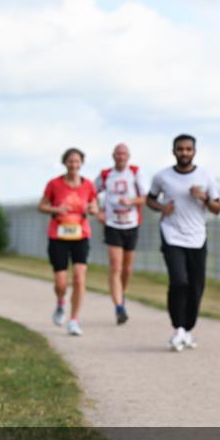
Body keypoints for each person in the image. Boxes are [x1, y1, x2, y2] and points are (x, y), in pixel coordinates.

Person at [146, 134, 220, 351]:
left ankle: (187, 329)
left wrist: (204, 198)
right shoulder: (162, 177)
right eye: (180, 149)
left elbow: (217, 208)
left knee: (197, 286)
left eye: (188, 149)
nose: (184, 153)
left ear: (194, 151)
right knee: (179, 281)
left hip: (197, 237)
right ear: (174, 151)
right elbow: (150, 199)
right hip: (172, 235)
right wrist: (161, 208)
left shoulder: (205, 176)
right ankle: (178, 327)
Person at [38, 148, 99, 336]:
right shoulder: (54, 184)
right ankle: (61, 302)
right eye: (70, 161)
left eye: (77, 161)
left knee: (80, 278)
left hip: (81, 235)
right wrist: (57, 209)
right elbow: (41, 206)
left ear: (82, 163)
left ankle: (74, 320)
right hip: (58, 235)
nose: (74, 165)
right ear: (64, 163)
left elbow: (95, 207)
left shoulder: (88, 185)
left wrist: (92, 208)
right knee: (61, 282)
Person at [96, 142, 148, 324]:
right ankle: (119, 307)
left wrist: (132, 201)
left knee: (127, 268)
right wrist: (99, 212)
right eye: (118, 153)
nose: (121, 156)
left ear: (128, 156)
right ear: (113, 156)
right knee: (116, 267)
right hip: (112, 224)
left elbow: (146, 197)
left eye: (124, 153)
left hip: (131, 224)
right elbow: (92, 194)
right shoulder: (105, 175)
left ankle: (121, 294)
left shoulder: (135, 172)